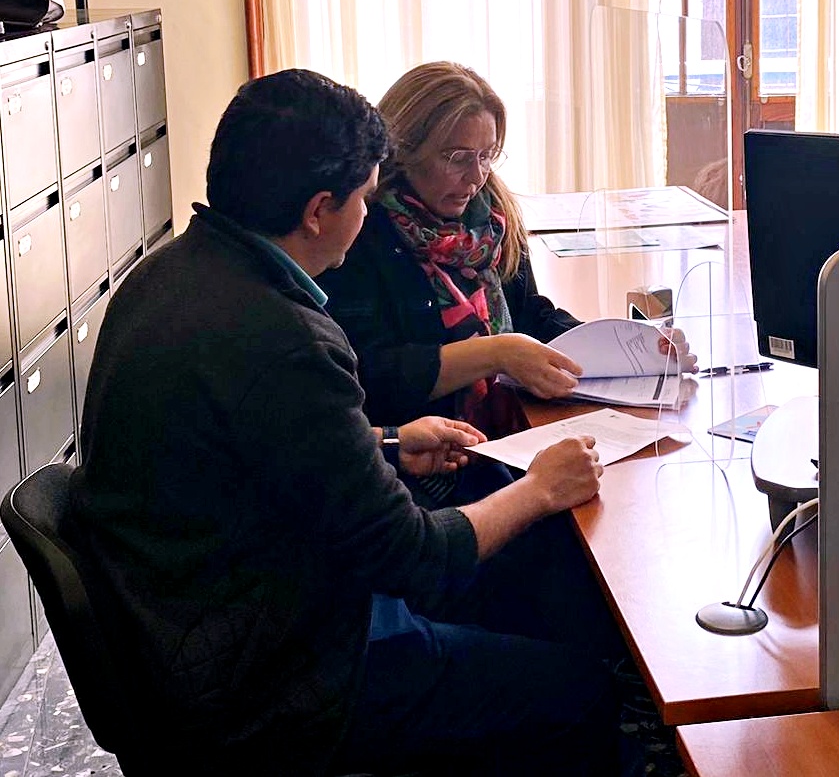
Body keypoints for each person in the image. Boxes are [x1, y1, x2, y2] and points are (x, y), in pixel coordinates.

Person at [69, 68, 621, 776]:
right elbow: (414, 559)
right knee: (579, 690)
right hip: (281, 678)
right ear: (318, 210)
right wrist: (540, 488)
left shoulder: (174, 271)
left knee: (537, 579)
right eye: (364, 198)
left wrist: (385, 443)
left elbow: (254, 445)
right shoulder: (285, 337)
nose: (369, 216)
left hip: (198, 623)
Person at [317, 62, 697, 507]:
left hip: (507, 440)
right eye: (457, 158)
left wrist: (632, 348)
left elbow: (529, 313)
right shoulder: (358, 231)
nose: (476, 177)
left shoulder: (490, 215)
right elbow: (368, 378)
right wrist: (495, 353)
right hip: (426, 471)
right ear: (405, 151)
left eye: (487, 156)